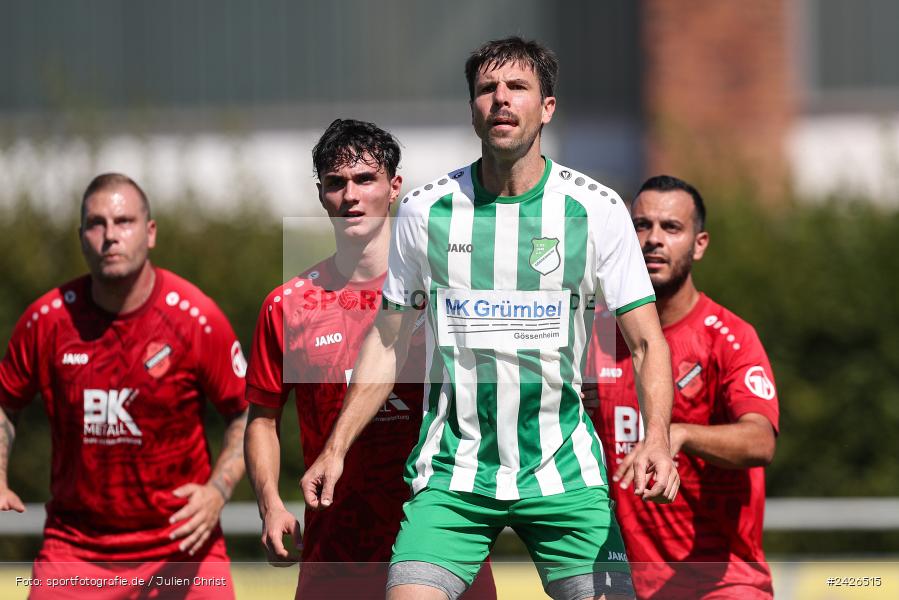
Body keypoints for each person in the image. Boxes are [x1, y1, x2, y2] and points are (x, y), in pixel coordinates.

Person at [300, 38, 679, 600]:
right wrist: (336, 448)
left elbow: (647, 344)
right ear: (473, 109)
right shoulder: (427, 210)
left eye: (517, 88)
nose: (501, 100)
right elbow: (386, 340)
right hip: (455, 474)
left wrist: (658, 440)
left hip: (564, 473)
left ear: (546, 107)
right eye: (486, 90)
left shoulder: (597, 210)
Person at [243, 118, 496, 599]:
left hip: (445, 547)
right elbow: (262, 420)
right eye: (336, 183)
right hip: (336, 557)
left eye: (365, 179)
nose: (351, 195)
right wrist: (271, 504)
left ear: (395, 187)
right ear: (321, 195)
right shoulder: (289, 305)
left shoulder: (447, 292)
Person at [0, 173, 248, 599]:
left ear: (150, 233)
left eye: (124, 221)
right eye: (97, 224)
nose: (110, 236)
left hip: (182, 547)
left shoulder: (195, 319)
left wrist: (218, 491)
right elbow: (5, 403)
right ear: (82, 237)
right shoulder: (47, 321)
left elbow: (249, 415)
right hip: (76, 551)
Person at [586, 175, 779, 599]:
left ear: (699, 243)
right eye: (640, 225)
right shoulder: (590, 334)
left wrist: (680, 433)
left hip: (722, 583)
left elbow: (761, 441)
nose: (653, 239)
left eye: (671, 228)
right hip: (618, 581)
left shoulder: (728, 336)